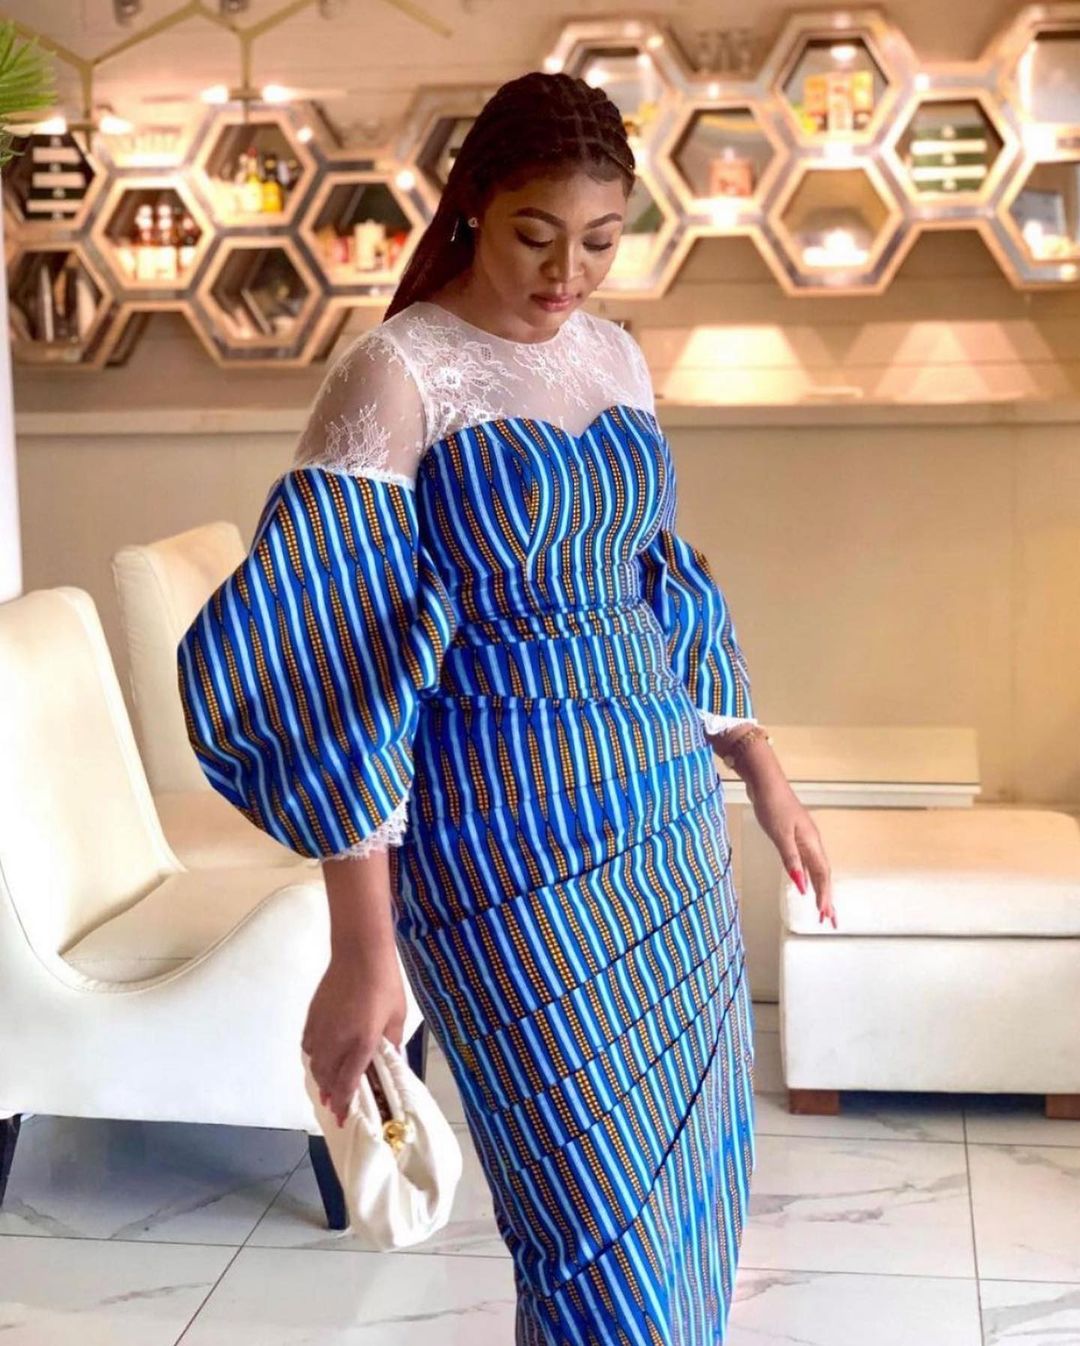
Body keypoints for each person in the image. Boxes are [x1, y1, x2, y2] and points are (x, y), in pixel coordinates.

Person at [177, 69, 836, 1345]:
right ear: (474, 202)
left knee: (686, 1190)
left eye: (600, 241)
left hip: (660, 817)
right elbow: (335, 661)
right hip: (497, 839)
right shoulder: (396, 372)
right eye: (538, 235)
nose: (566, 274)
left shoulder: (616, 354)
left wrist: (761, 765)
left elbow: (660, 574)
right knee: (587, 1222)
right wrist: (363, 945)